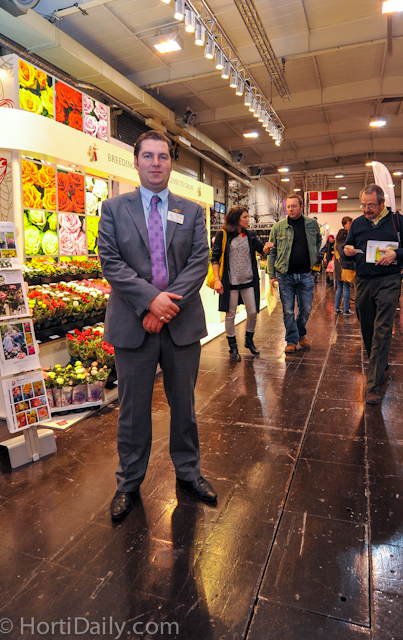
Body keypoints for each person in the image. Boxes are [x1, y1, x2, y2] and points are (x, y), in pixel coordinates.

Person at [99, 130, 217, 520]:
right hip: (133, 324)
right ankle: (128, 483)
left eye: (162, 156)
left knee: (185, 406)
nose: (155, 163)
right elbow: (111, 262)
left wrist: (164, 308)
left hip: (180, 325)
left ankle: (189, 472)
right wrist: (150, 300)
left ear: (171, 163)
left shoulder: (192, 211)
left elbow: (198, 262)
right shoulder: (114, 209)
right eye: (147, 156)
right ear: (135, 162)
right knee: (132, 411)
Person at [343, 184, 403, 405]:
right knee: (367, 326)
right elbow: (346, 249)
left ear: (382, 203)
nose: (366, 209)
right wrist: (347, 251)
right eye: (363, 205)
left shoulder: (398, 221)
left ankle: (373, 385)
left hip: (389, 281)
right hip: (363, 281)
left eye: (371, 205)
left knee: (383, 329)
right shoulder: (358, 224)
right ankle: (379, 361)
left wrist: (396, 253)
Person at [211, 206, 273, 361]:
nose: (248, 219)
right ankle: (232, 346)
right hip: (230, 282)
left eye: (248, 217)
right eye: (245, 217)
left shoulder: (250, 235)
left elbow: (262, 250)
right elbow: (215, 258)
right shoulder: (223, 235)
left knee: (252, 311)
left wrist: (267, 248)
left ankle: (249, 340)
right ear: (236, 218)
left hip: (248, 281)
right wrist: (217, 280)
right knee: (230, 314)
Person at [268, 193, 322, 354]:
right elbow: (271, 252)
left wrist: (313, 255)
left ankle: (300, 333)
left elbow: (318, 240)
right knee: (288, 310)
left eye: (294, 206)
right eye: (288, 207)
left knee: (305, 308)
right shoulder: (278, 227)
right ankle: (292, 340)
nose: (291, 209)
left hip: (306, 274)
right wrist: (271, 275)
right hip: (285, 275)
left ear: (301, 207)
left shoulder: (312, 224)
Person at [333, 228, 354, 316]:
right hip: (345, 268)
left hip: (338, 269)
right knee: (346, 288)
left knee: (339, 288)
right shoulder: (347, 246)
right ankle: (346, 309)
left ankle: (337, 308)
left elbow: (337, 257)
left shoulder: (336, 244)